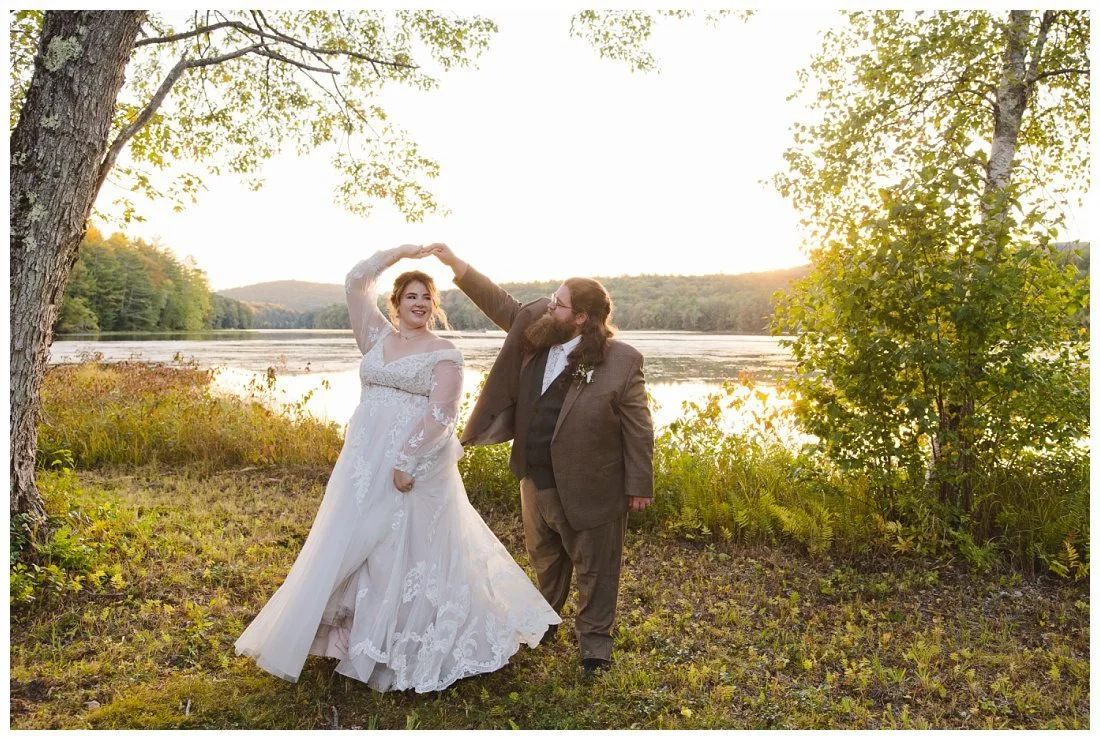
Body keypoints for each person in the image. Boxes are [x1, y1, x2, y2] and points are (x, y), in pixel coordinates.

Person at [234, 244, 560, 693]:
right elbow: (354, 281)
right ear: (396, 302)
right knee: (351, 539)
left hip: (415, 465)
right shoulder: (375, 337)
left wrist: (406, 461)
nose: (419, 304)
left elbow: (442, 414)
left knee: (399, 548)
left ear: (434, 306)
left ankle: (399, 642)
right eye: (411, 296)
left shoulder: (446, 352)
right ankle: (346, 636)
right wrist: (401, 253)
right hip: (362, 462)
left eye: (426, 297)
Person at [427, 243, 654, 678]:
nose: (550, 305)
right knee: (545, 558)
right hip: (534, 478)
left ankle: (594, 650)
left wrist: (639, 484)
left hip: (592, 484)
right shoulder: (538, 329)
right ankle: (544, 622)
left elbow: (639, 427)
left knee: (595, 568)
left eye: (559, 302)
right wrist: (457, 266)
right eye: (553, 297)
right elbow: (499, 302)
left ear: (581, 318)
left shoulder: (622, 361)